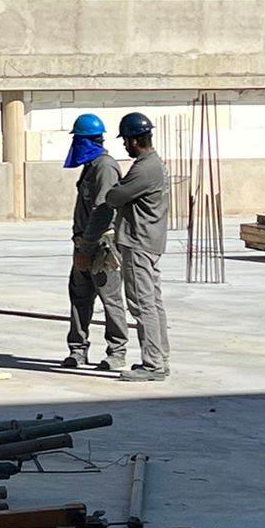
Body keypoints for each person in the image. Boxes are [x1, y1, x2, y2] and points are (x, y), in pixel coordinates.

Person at [79, 111, 170, 382]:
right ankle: (160, 358)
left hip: (138, 242)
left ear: (132, 141)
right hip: (149, 241)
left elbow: (114, 197)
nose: (123, 146)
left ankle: (152, 365)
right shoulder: (154, 163)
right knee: (153, 302)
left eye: (125, 141)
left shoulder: (144, 168)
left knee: (142, 304)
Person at [61, 114, 129, 371]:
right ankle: (78, 349)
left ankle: (117, 351)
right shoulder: (91, 166)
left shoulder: (104, 167)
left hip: (101, 245)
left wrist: (87, 248)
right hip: (83, 242)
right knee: (79, 297)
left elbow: (103, 211)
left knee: (110, 298)